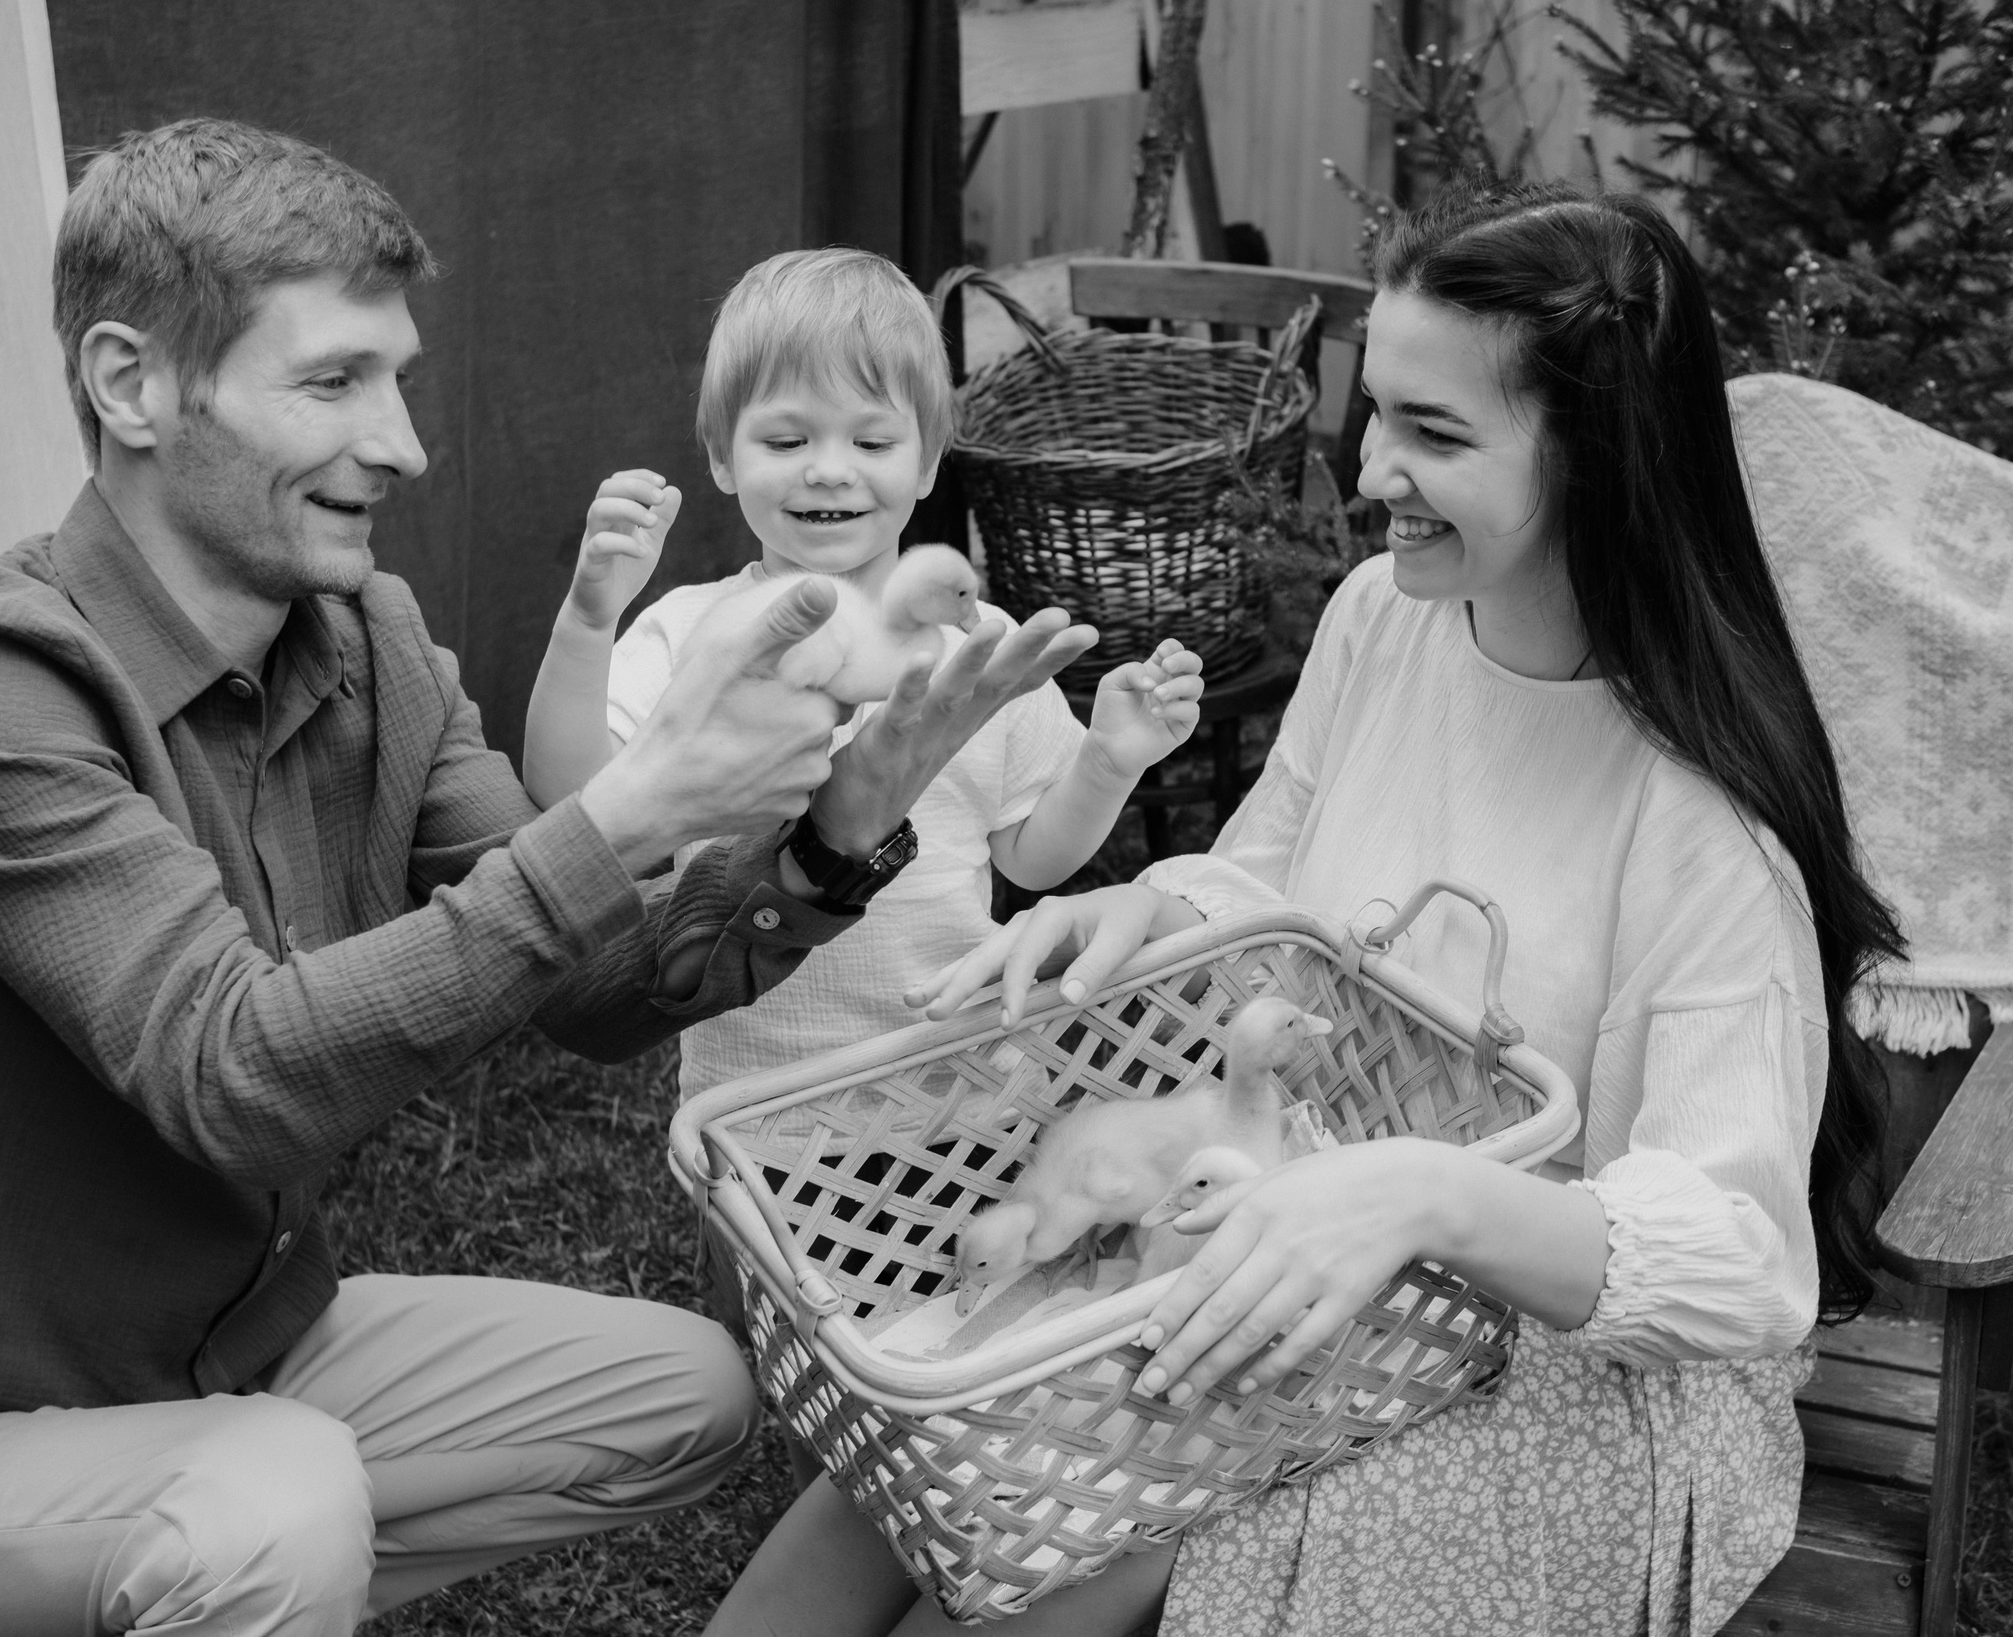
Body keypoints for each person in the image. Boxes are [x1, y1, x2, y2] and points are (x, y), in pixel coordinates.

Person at [0, 118, 1092, 1637]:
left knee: (683, 1395)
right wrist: (639, 802)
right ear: (131, 385)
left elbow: (596, 989)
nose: (402, 444)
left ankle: (203, 1586)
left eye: (399, 380)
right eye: (331, 382)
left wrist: (837, 833)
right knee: (272, 1502)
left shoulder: (370, 643)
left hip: (245, 1367)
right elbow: (235, 1071)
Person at [702, 183, 1905, 1637]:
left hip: (1543, 1370)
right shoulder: (1385, 619)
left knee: (1039, 1565)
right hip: (1293, 1226)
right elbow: (1272, 878)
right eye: (1377, 413)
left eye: (1438, 434)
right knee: (898, 1494)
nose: (1375, 470)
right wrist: (1143, 907)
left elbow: (1743, 1262)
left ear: (1600, 463)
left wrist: (1426, 1195)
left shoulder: (1706, 820)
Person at [522, 247, 1205, 1105]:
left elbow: (1031, 860)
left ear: (925, 463)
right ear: (723, 457)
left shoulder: (977, 644)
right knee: (762, 1251)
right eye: (787, 437)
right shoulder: (693, 633)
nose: (830, 466)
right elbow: (567, 796)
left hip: (963, 1083)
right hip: (761, 1104)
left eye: (872, 438)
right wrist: (589, 622)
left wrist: (1107, 763)